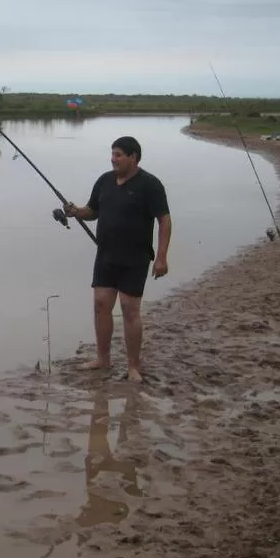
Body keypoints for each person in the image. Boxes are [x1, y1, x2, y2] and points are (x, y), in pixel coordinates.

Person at [64, 136, 171, 383]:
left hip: (135, 257)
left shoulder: (150, 185)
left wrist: (162, 257)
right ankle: (103, 358)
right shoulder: (104, 181)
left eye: (119, 154)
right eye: (112, 154)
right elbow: (92, 211)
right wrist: (75, 211)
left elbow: (164, 221)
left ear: (133, 157)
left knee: (129, 309)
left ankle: (134, 366)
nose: (113, 159)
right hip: (105, 254)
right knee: (101, 303)